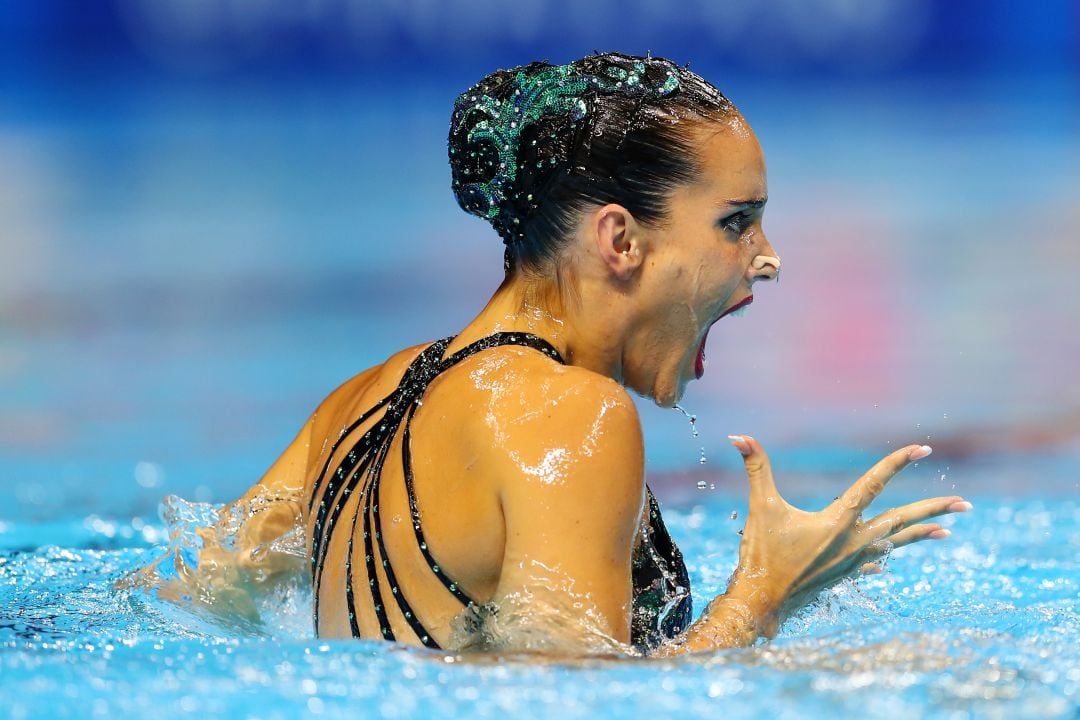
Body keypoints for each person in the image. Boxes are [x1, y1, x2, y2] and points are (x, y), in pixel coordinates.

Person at [159, 52, 971, 655]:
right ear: (619, 238)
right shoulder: (570, 415)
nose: (767, 257)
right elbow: (567, 707)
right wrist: (761, 595)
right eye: (735, 222)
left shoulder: (361, 398)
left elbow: (192, 595)